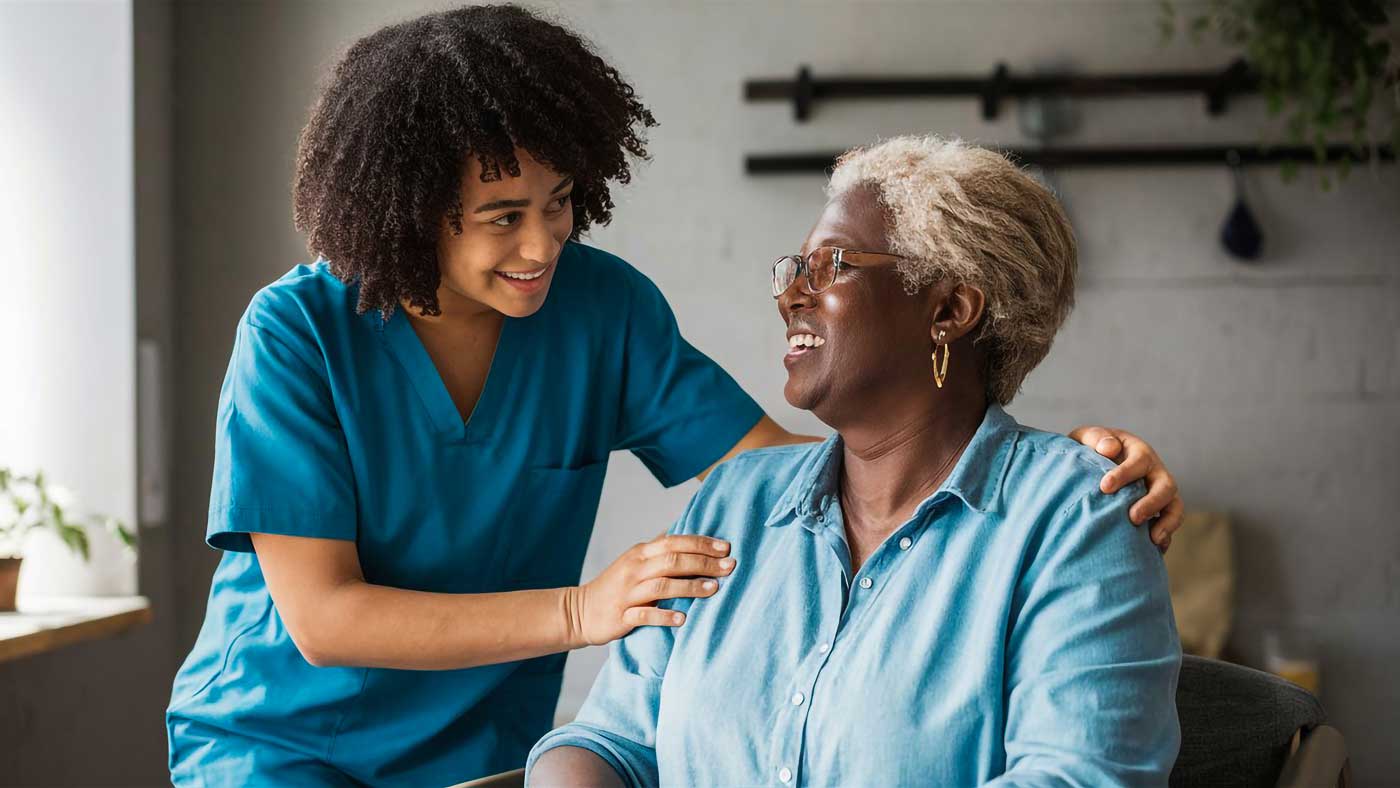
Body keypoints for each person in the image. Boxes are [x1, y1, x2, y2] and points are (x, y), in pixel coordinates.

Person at [166, 7, 1184, 786]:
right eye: (500, 216)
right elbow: (323, 618)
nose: (542, 244)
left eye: (560, 202)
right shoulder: (297, 333)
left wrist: (1051, 468)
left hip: (478, 748)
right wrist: (582, 608)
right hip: (284, 743)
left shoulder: (597, 308)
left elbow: (808, 470)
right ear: (409, 212)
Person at [527, 136, 1182, 787]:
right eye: (794, 268)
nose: (791, 296)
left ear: (949, 310)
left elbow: (1080, 778)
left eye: (832, 264)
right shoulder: (733, 503)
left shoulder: (1074, 519)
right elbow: (611, 741)